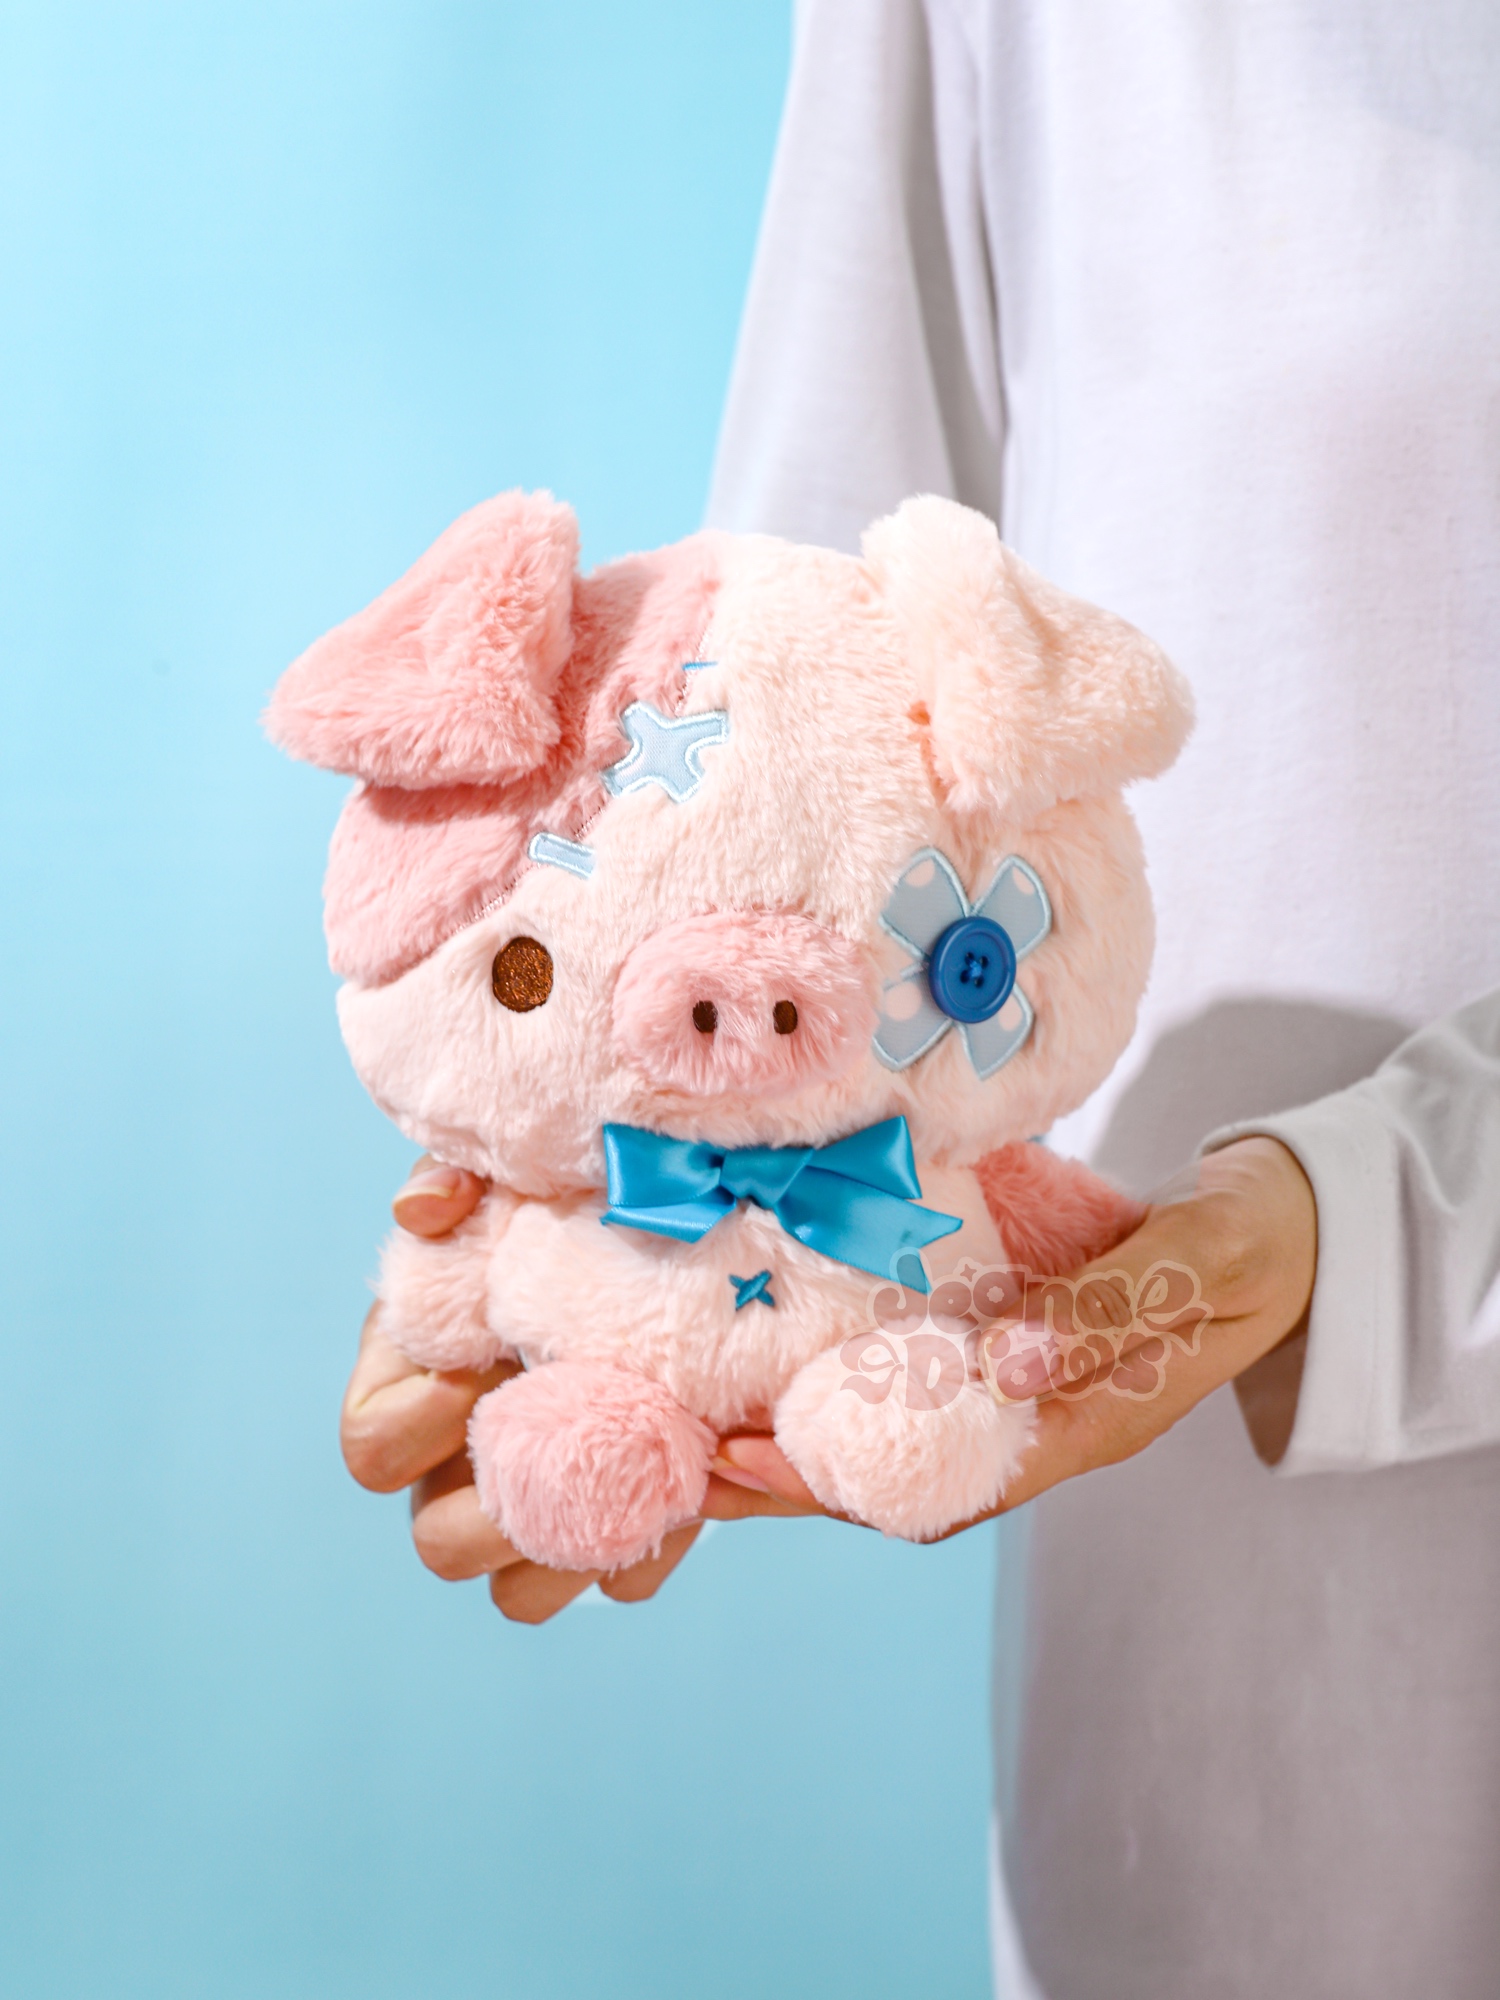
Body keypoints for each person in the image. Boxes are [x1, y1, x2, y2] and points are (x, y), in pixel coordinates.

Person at [341, 3, 1500, 1993]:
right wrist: (606, 1151)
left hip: (1147, 1336)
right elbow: (790, 680)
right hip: (1232, 1637)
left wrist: (1360, 1226)